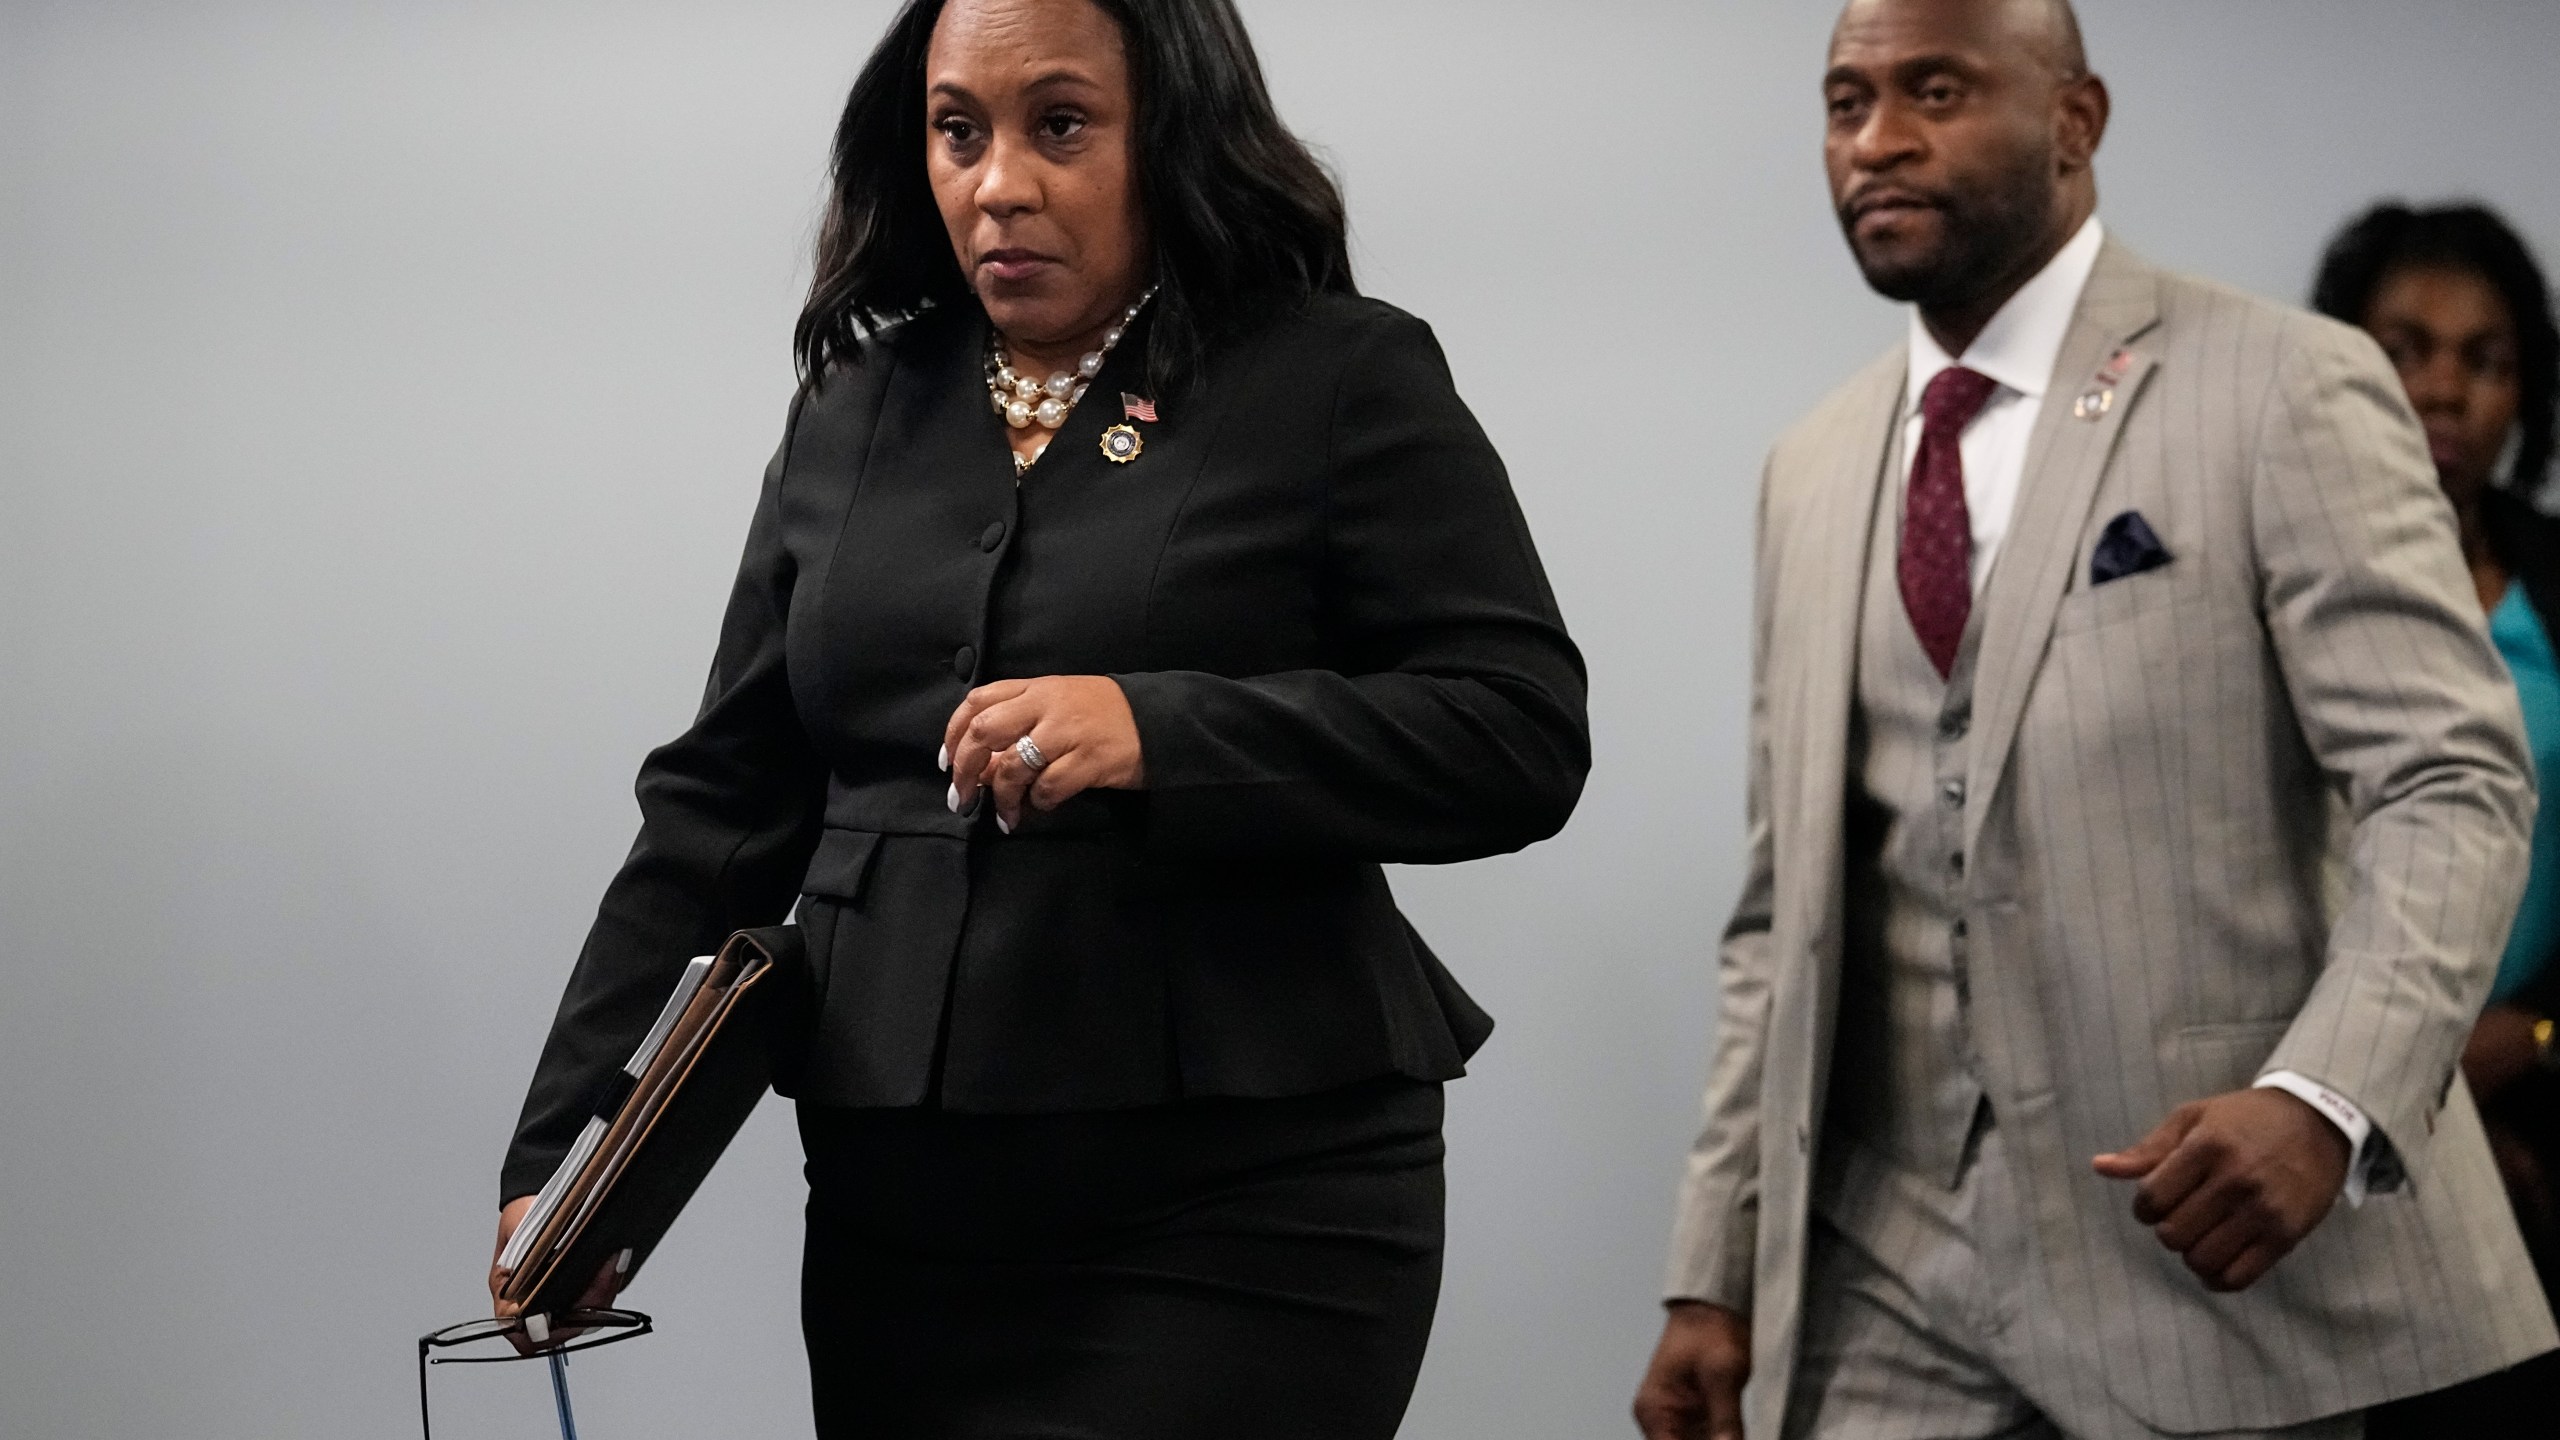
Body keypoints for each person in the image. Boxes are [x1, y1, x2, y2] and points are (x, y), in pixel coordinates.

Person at [485, 0, 1590, 1434]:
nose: (999, 180)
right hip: (909, 1225)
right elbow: (724, 799)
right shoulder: (856, 406)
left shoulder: (1337, 376)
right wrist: (570, 1148)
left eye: (1059, 124)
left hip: (1246, 1204)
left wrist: (1163, 733)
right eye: (959, 131)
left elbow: (1515, 732)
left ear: (1171, 133)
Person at [1633, 2, 2555, 1437]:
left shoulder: (2286, 385)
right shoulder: (1809, 473)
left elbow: (2451, 779)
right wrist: (1715, 1268)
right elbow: (1786, 916)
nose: (1877, 141)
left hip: (2213, 1258)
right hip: (1891, 1270)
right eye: (1845, 101)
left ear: (2076, 120)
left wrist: (2325, 1096)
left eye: (1934, 89)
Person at [2313, 202, 2560, 1436]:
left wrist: (2548, 1033)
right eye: (2404, 349)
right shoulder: (2277, 579)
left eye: (2485, 358)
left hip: (2548, 1098)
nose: (2443, 390)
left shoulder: (2555, 587)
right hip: (2327, 1110)